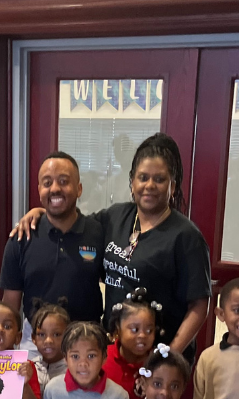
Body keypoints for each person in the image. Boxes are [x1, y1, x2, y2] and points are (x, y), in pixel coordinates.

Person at [11, 133, 211, 364]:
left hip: (158, 356)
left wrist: (169, 354)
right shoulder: (116, 217)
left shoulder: (186, 236)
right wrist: (42, 213)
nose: (150, 186)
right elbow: (74, 221)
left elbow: (199, 306)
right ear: (132, 183)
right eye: (143, 177)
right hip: (114, 350)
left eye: (159, 179)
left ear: (172, 186)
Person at [0, 152, 103, 344]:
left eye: (64, 181)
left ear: (79, 189)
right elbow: (10, 305)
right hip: (35, 343)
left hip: (86, 343)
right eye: (47, 183)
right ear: (39, 190)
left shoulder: (98, 232)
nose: (55, 189)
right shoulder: (22, 237)